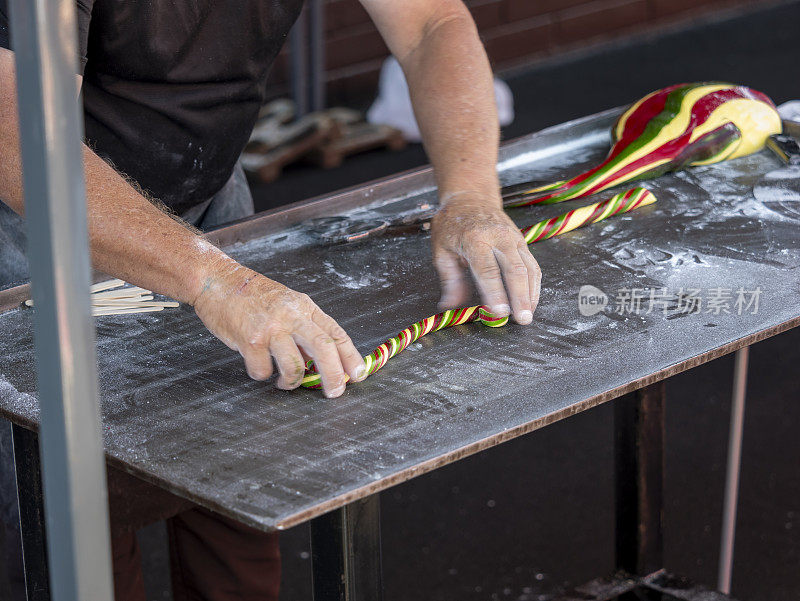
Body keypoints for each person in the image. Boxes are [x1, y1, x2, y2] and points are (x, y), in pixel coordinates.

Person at [0, 0, 542, 598]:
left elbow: (430, 24)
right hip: (29, 228)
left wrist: (469, 196)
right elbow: (24, 138)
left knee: (240, 478)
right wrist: (213, 281)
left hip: (208, 195)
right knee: (74, 513)